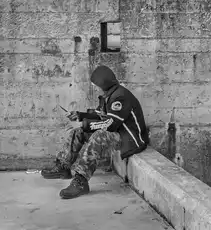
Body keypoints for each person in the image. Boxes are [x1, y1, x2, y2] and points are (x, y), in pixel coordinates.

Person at [41, 65, 149, 199]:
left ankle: (81, 180)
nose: (95, 87)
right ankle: (63, 166)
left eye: (96, 85)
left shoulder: (120, 97)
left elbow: (110, 124)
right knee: (78, 131)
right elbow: (100, 115)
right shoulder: (108, 95)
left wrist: (84, 124)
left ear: (104, 84)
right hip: (117, 132)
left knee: (99, 136)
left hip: (129, 138)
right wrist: (79, 115)